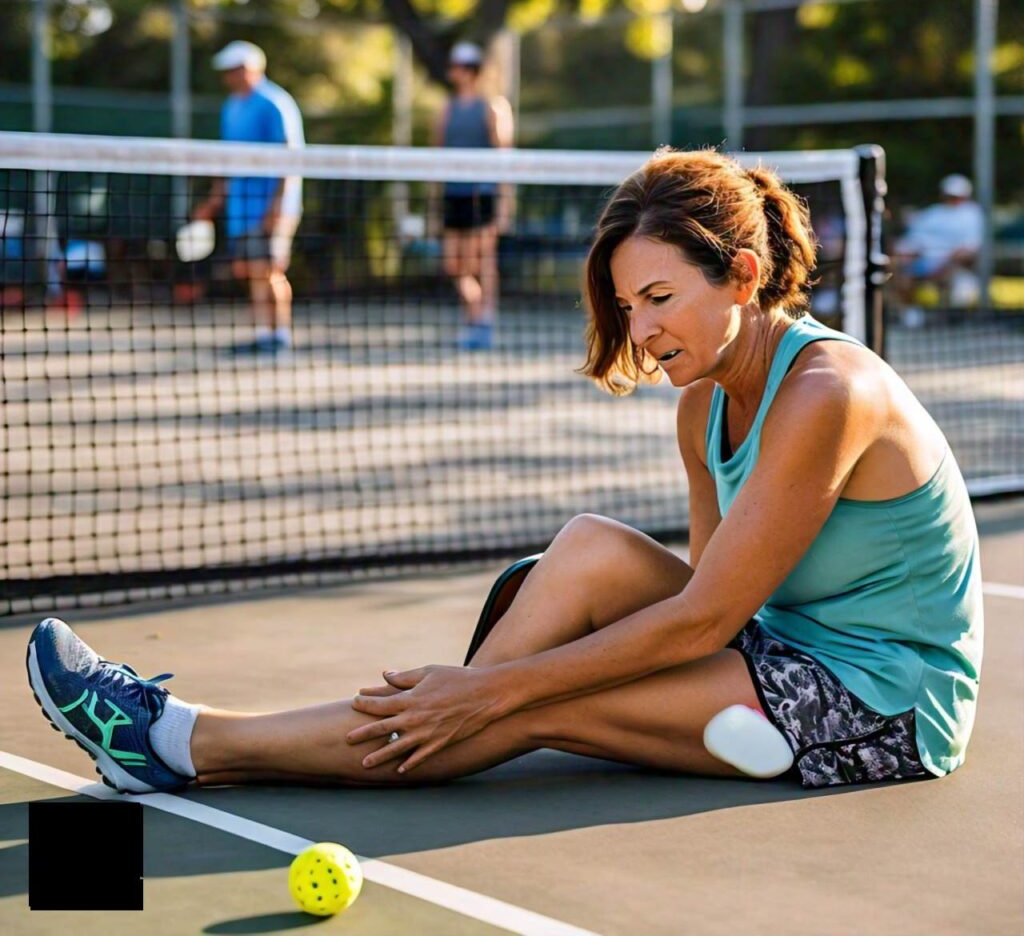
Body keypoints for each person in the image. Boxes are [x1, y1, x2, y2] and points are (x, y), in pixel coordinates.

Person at [27, 149, 982, 794]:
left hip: (882, 703)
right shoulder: (703, 402)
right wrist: (504, 675)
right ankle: (437, 727)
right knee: (587, 550)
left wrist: (500, 692)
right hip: (779, 653)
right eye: (626, 303)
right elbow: (706, 593)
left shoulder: (830, 391)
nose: (642, 332)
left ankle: (178, 740)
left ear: (739, 273)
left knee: (532, 704)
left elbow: (705, 620)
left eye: (660, 297)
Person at [191, 41, 304, 354]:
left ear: (251, 69)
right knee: (250, 270)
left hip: (272, 206)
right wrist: (215, 200)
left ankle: (280, 334)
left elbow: (291, 159)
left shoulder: (275, 103)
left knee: (270, 271)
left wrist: (279, 206)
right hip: (242, 207)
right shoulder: (232, 106)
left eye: (234, 69)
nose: (228, 76)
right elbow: (229, 160)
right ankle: (263, 334)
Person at [434, 41, 514, 351]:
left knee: (481, 261)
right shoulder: (446, 109)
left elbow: (505, 159)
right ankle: (477, 311)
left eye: (460, 65)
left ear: (472, 71)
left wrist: (505, 205)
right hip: (453, 197)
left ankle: (482, 322)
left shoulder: (493, 108)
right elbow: (436, 156)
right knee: (454, 265)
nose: (454, 70)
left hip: (482, 197)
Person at [893, 173, 984, 324]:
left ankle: (951, 316)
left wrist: (945, 264)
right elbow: (912, 241)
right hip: (924, 262)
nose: (953, 199)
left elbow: (969, 248)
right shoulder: (932, 213)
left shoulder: (973, 215)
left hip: (951, 265)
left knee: (954, 282)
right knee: (898, 273)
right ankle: (911, 315)